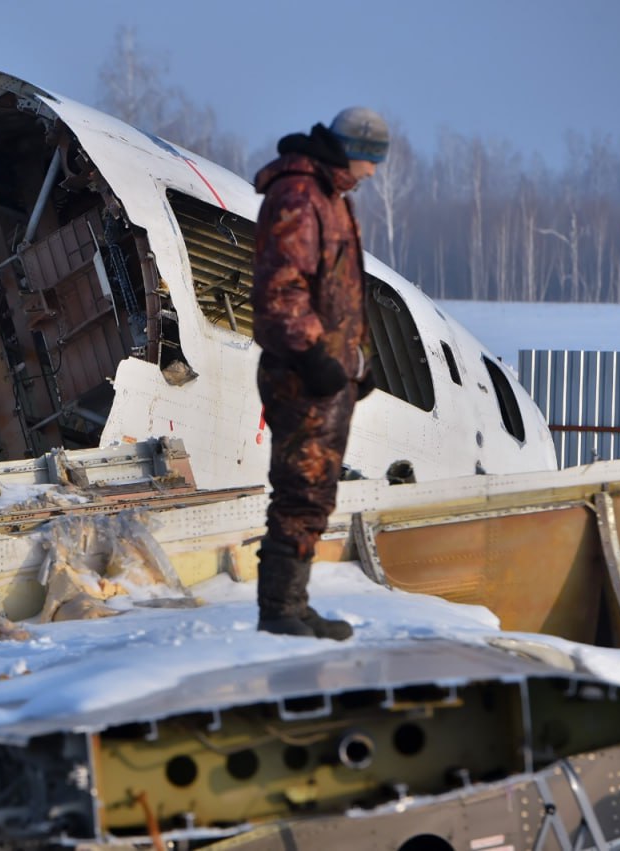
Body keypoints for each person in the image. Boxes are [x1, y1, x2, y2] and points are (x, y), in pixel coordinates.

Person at [250, 106, 389, 640]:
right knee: (300, 488)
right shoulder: (300, 196)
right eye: (370, 160)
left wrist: (356, 360)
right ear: (349, 149)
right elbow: (282, 289)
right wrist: (314, 357)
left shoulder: (330, 198)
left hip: (328, 372)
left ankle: (294, 605)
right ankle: (279, 612)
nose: (372, 173)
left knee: (316, 491)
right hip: (301, 373)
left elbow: (341, 289)